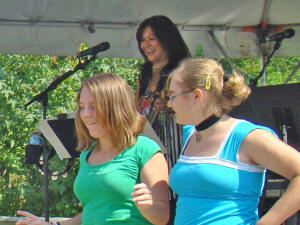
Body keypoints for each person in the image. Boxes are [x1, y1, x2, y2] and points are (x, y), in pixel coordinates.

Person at [16, 73, 170, 225]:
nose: (85, 114)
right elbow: (93, 211)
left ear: (116, 107)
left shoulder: (144, 149)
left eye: (94, 107)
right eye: (82, 107)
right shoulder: (87, 154)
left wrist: (147, 207)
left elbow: (162, 217)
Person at [166, 58, 300, 225]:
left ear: (197, 96)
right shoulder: (189, 134)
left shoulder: (247, 136)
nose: (169, 104)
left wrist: (268, 222)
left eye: (172, 96)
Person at [135, 15, 190, 224]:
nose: (146, 45)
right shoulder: (145, 74)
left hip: (176, 144)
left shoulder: (183, 68)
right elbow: (135, 109)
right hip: (150, 147)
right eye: (142, 40)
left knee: (174, 202)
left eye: (151, 39)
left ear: (167, 38)